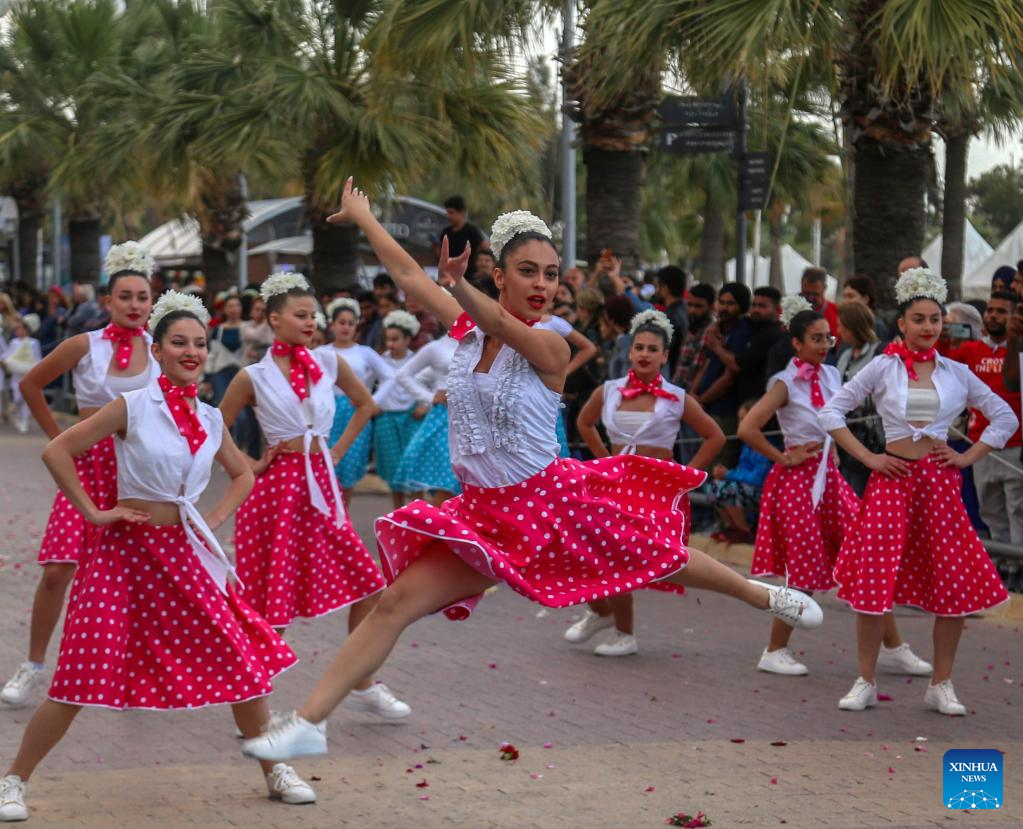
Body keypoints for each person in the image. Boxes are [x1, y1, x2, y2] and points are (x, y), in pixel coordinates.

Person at [238, 181, 824, 761]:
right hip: (483, 516)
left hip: (551, 502)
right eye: (528, 271)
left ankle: (760, 595)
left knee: (654, 554)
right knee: (394, 604)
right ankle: (311, 723)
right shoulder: (468, 332)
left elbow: (499, 325)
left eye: (549, 273)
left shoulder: (550, 347)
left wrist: (459, 284)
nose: (543, 284)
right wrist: (366, 220)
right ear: (501, 275)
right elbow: (414, 280)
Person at [0, 292, 314, 823]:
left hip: (186, 554)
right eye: (179, 343)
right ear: (160, 350)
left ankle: (276, 766)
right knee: (78, 673)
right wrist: (94, 513)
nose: (191, 352)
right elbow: (58, 451)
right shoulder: (133, 406)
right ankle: (14, 780)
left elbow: (241, 475)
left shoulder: (212, 419)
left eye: (199, 343)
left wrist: (211, 520)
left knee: (243, 661)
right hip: (122, 556)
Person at [820, 267, 1017, 715]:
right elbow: (831, 412)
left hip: (941, 486)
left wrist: (968, 457)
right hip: (892, 484)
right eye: (919, 319)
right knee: (874, 581)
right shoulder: (883, 367)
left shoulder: (956, 372)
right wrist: (869, 459)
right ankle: (864, 679)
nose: (928, 327)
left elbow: (1004, 416)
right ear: (902, 324)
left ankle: (941, 683)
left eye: (935, 319)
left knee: (953, 582)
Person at [219, 272, 411, 721]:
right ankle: (254, 701)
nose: (311, 322)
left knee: (369, 584)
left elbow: (367, 404)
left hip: (321, 487)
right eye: (300, 315)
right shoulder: (253, 375)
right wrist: (249, 464)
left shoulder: (327, 363)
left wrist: (339, 448)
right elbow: (214, 429)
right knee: (274, 599)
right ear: (274, 319)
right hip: (277, 495)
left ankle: (361, 681)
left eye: (313, 315)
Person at [0, 243, 159, 710]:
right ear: (107, 302)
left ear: (152, 303)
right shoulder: (84, 345)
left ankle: (139, 670)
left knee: (142, 573)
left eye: (142, 297)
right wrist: (60, 442)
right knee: (57, 570)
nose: (134, 304)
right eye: (125, 296)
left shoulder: (163, 349)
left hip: (139, 472)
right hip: (88, 470)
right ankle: (32, 665)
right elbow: (31, 383)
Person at [739, 301, 930, 678]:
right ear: (796, 343)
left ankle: (893, 647)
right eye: (815, 338)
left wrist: (836, 451)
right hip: (798, 486)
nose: (825, 343)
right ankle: (774, 649)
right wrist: (784, 457)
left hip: (829, 480)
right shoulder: (784, 382)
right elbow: (748, 429)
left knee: (869, 558)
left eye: (827, 337)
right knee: (805, 572)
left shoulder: (830, 374)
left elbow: (835, 418)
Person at [570, 309, 725, 656]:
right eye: (638, 347)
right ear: (630, 351)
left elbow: (714, 437)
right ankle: (605, 616)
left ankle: (621, 630)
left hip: (656, 492)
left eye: (652, 349)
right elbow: (584, 422)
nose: (643, 354)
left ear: (665, 356)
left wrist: (686, 478)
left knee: (624, 560)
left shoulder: (677, 396)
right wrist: (603, 462)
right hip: (614, 486)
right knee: (599, 555)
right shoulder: (609, 390)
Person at [940, 291, 1023, 545]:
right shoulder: (969, 349)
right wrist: (942, 341)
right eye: (990, 310)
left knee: (1018, 511)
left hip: (1015, 445)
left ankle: (1019, 568)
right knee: (990, 510)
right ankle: (1003, 568)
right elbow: (942, 372)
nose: (994, 316)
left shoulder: (1018, 351)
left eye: (1001, 311)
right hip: (980, 445)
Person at [319, 298, 393, 498]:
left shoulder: (364, 352)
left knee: (350, 467)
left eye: (350, 323)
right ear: (332, 324)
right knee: (324, 467)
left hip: (356, 414)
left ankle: (342, 520)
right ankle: (326, 521)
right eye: (341, 322)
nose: (346, 327)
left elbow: (390, 376)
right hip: (327, 414)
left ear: (356, 326)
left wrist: (372, 401)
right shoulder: (320, 353)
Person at [391, 330, 461, 505]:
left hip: (475, 419)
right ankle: (432, 529)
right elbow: (403, 375)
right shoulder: (436, 347)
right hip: (444, 419)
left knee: (465, 485)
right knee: (447, 483)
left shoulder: (483, 341)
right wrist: (429, 398)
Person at [373, 309, 430, 509]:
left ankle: (419, 513)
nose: (391, 344)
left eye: (396, 339)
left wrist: (425, 405)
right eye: (388, 339)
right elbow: (366, 381)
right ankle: (397, 513)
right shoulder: (380, 359)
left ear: (408, 338)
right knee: (392, 467)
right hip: (386, 418)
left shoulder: (418, 359)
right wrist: (372, 403)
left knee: (415, 467)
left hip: (412, 417)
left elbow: (431, 385)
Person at [691, 283, 751, 466]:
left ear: (741, 306)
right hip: (706, 409)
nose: (724, 308)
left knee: (719, 463)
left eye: (730, 303)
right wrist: (694, 394)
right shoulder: (719, 329)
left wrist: (702, 400)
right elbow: (706, 365)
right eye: (722, 302)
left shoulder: (742, 331)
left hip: (725, 411)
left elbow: (730, 374)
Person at [833, 302, 885, 496]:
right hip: (847, 434)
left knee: (862, 491)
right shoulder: (845, 355)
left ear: (855, 327)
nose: (839, 331)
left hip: (871, 433)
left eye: (842, 326)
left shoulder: (879, 353)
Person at [708, 401, 772, 544]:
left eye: (745, 419)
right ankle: (732, 527)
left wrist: (729, 474)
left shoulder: (766, 443)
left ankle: (744, 530)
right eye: (739, 419)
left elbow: (758, 479)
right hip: (748, 488)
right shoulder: (747, 444)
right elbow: (743, 470)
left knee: (728, 488)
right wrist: (723, 473)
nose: (740, 423)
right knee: (714, 486)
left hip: (764, 491)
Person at [736, 286, 786, 403]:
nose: (756, 310)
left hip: (757, 400)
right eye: (754, 305)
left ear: (777, 310)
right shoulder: (752, 327)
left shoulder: (772, 334)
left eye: (762, 306)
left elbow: (738, 365)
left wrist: (717, 347)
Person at [0, 315, 42, 433]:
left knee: (26, 398)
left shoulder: (34, 343)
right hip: (16, 376)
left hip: (28, 374)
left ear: (27, 329)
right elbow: (8, 354)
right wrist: (5, 361)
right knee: (17, 398)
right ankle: (19, 417)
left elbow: (38, 358)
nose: (17, 331)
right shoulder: (14, 342)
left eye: (20, 328)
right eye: (16, 329)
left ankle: (24, 421)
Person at [672, 283, 715, 390]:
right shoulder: (690, 329)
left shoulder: (714, 332)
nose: (692, 311)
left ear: (711, 307)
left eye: (698, 306)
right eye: (689, 305)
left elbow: (704, 368)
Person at [204, 294, 245, 405]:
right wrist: (207, 379)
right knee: (222, 405)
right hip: (220, 374)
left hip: (242, 374)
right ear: (225, 309)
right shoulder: (218, 330)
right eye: (230, 306)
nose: (234, 309)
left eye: (237, 305)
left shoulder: (248, 328)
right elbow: (212, 355)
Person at [440, 195, 489, 277]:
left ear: (462, 212)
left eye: (452, 213)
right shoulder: (446, 232)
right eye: (447, 213)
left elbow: (485, 247)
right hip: (450, 273)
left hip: (469, 274)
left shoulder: (471, 230)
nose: (449, 216)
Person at [654, 266, 689, 376]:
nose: (656, 291)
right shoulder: (685, 310)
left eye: (657, 286)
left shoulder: (670, 318)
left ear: (665, 288)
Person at [841, 275, 888, 341]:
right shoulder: (848, 325)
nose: (845, 301)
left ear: (865, 299)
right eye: (844, 297)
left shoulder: (877, 326)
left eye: (850, 296)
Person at [800, 267, 839, 341]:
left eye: (815, 294)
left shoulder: (837, 313)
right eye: (806, 293)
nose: (811, 298)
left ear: (824, 288)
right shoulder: (790, 311)